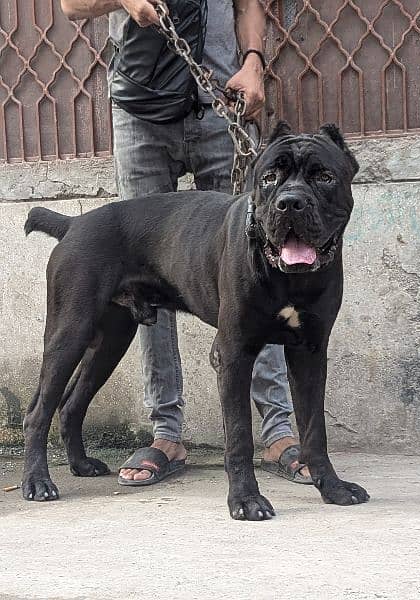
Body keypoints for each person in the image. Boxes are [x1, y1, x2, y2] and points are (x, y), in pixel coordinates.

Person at [61, 0, 311, 486]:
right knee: (145, 277)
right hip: (141, 111)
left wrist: (254, 63)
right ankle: (166, 434)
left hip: (221, 103)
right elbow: (73, 5)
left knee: (258, 272)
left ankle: (279, 430)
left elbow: (250, 5)